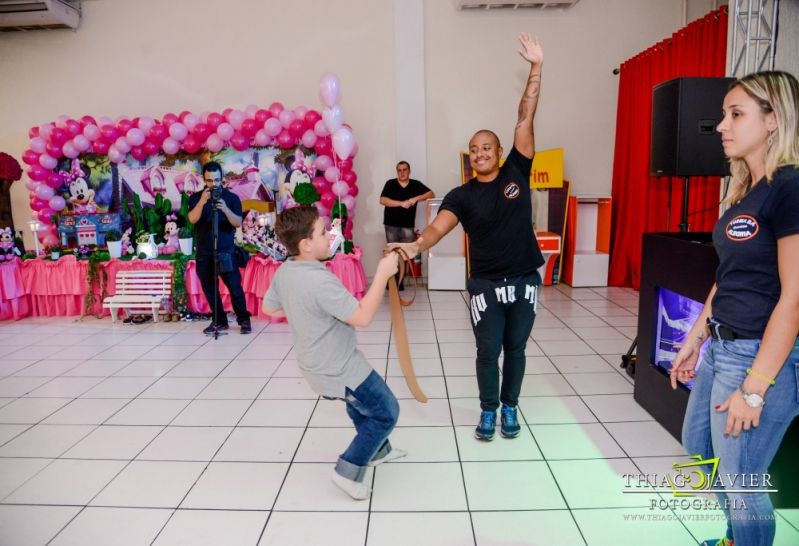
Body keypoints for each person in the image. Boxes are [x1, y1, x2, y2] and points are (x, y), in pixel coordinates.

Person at [387, 33, 545, 442]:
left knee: (517, 350)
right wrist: (415, 245)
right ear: (469, 156)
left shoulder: (517, 171)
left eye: (487, 147)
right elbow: (438, 228)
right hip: (485, 286)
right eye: (474, 149)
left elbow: (524, 118)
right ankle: (489, 411)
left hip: (525, 280)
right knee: (486, 352)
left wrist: (536, 68)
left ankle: (511, 406)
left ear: (499, 151)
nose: (481, 153)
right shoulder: (461, 195)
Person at [670, 71, 799, 546]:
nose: (722, 125)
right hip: (722, 349)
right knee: (700, 450)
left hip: (758, 357)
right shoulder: (747, 189)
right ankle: (733, 539)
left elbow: (795, 298)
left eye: (736, 114)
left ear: (773, 120)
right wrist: (694, 339)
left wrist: (757, 389)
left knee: (743, 482)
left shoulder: (790, 188)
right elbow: (726, 280)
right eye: (725, 114)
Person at [263, 206, 406, 500]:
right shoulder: (320, 281)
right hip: (341, 367)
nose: (329, 235)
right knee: (385, 412)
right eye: (322, 232)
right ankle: (348, 469)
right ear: (305, 245)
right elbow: (363, 317)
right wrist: (381, 274)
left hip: (316, 366)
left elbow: (268, 308)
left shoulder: (286, 270)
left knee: (358, 404)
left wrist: (304, 312)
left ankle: (378, 451)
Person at [188, 161, 252, 335]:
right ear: (204, 179)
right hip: (204, 252)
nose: (213, 184)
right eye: (209, 180)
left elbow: (237, 222)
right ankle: (219, 321)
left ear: (221, 179)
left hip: (225, 251)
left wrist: (225, 209)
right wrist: (202, 202)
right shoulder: (196, 197)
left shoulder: (231, 198)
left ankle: (244, 320)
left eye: (216, 180)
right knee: (210, 289)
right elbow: (192, 219)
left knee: (234, 287)